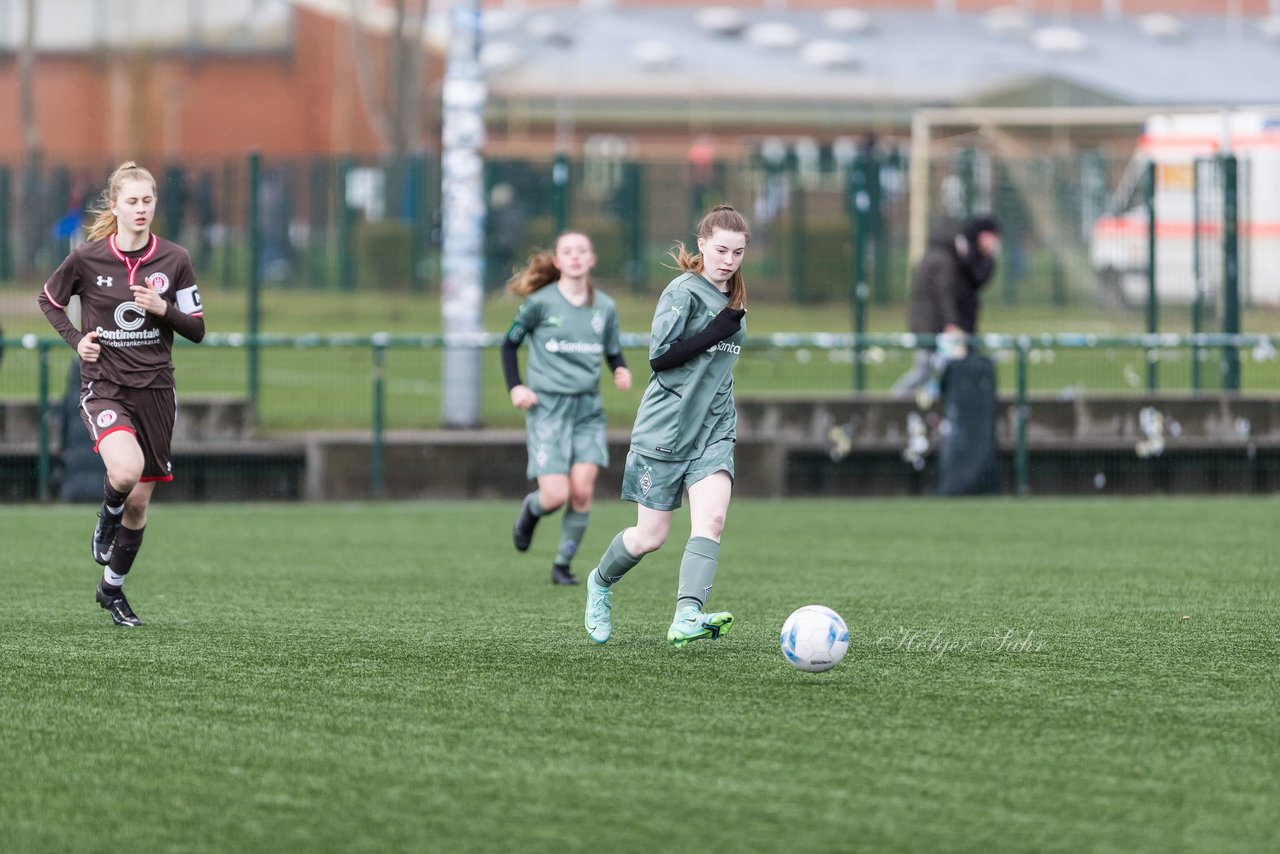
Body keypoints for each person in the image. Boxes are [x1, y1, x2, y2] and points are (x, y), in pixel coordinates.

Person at [37, 162, 206, 627]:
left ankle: (111, 589)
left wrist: (163, 308)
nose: (140, 209)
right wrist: (77, 341)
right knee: (125, 471)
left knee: (140, 503)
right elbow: (49, 301)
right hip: (105, 386)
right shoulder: (88, 258)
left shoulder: (175, 260)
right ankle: (104, 520)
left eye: (147, 201)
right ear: (115, 206)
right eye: (131, 201)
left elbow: (197, 329)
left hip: (156, 390)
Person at [582, 204, 749, 648]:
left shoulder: (733, 299)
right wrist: (716, 330)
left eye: (737, 252)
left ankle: (687, 616)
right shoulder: (682, 292)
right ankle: (599, 584)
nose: (728, 260)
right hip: (665, 431)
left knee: (711, 519)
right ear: (702, 246)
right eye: (720, 250)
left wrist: (722, 326)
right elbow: (660, 358)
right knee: (649, 537)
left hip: (713, 431)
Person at [503, 231, 632, 585]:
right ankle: (531, 511)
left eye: (582, 251)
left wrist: (619, 368)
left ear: (591, 260)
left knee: (581, 491)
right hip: (547, 408)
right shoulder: (540, 303)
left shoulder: (604, 306)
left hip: (588, 411)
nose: (575, 256)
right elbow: (508, 345)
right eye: (567, 251)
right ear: (557, 262)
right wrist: (516, 388)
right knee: (555, 495)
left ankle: (562, 565)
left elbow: (611, 349)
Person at [891, 214, 1001, 403]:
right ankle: (894, 400)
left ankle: (930, 404)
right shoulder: (944, 261)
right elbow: (944, 294)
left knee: (938, 370)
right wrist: (951, 323)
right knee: (925, 370)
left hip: (930, 324)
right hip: (932, 326)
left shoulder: (937, 257)